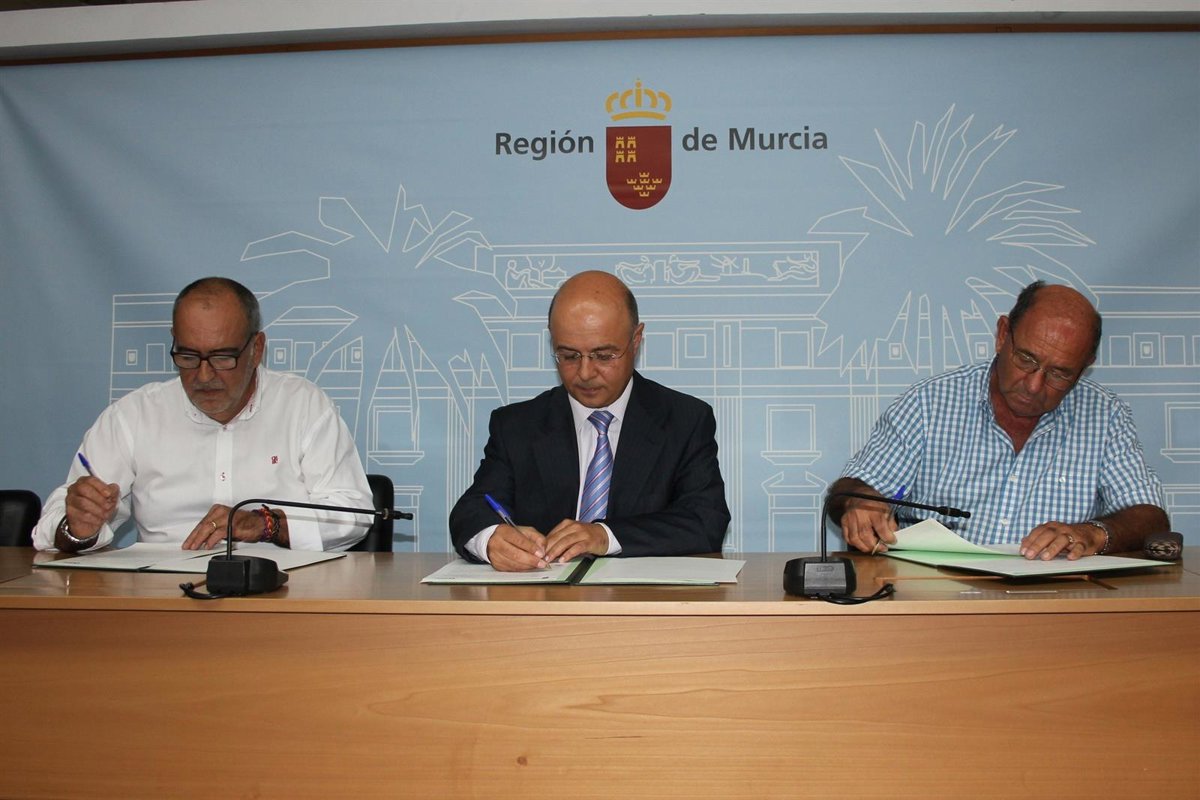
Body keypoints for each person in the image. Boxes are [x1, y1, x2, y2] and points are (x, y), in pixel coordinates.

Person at [830, 281, 1169, 561]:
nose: (1034, 385)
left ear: (1085, 367)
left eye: (1059, 374)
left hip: (1053, 604)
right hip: (936, 601)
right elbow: (848, 491)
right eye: (1026, 359)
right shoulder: (929, 404)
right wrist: (860, 502)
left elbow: (1150, 518)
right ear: (1003, 334)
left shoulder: (1105, 416)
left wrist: (1094, 533)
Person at [33, 277, 373, 552]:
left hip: (280, 590)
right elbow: (51, 529)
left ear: (256, 349)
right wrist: (77, 527)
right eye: (188, 357)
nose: (204, 375)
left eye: (223, 357)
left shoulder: (302, 406)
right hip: (163, 596)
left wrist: (266, 524)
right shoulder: (133, 416)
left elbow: (354, 514)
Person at [449, 270, 731, 571]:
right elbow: (473, 509)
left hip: (642, 597)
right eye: (569, 356)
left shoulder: (684, 421)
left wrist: (604, 535)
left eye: (604, 356)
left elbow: (705, 521)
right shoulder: (517, 426)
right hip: (543, 595)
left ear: (636, 340)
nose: (585, 373)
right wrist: (491, 539)